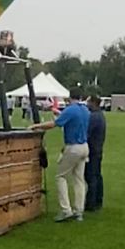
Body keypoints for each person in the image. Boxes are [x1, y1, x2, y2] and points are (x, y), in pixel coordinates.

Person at [31, 87, 89, 222]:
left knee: (61, 176)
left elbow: (54, 124)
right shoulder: (85, 110)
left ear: (70, 97)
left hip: (73, 146)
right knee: (79, 180)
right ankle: (79, 211)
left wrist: (36, 126)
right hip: (84, 146)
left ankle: (65, 210)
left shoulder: (70, 109)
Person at [85, 95, 106, 212]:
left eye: (88, 102)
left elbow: (87, 133)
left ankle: (91, 203)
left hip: (92, 150)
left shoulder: (93, 117)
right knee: (97, 175)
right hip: (98, 149)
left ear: (93, 102)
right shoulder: (100, 115)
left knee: (91, 177)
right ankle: (98, 200)